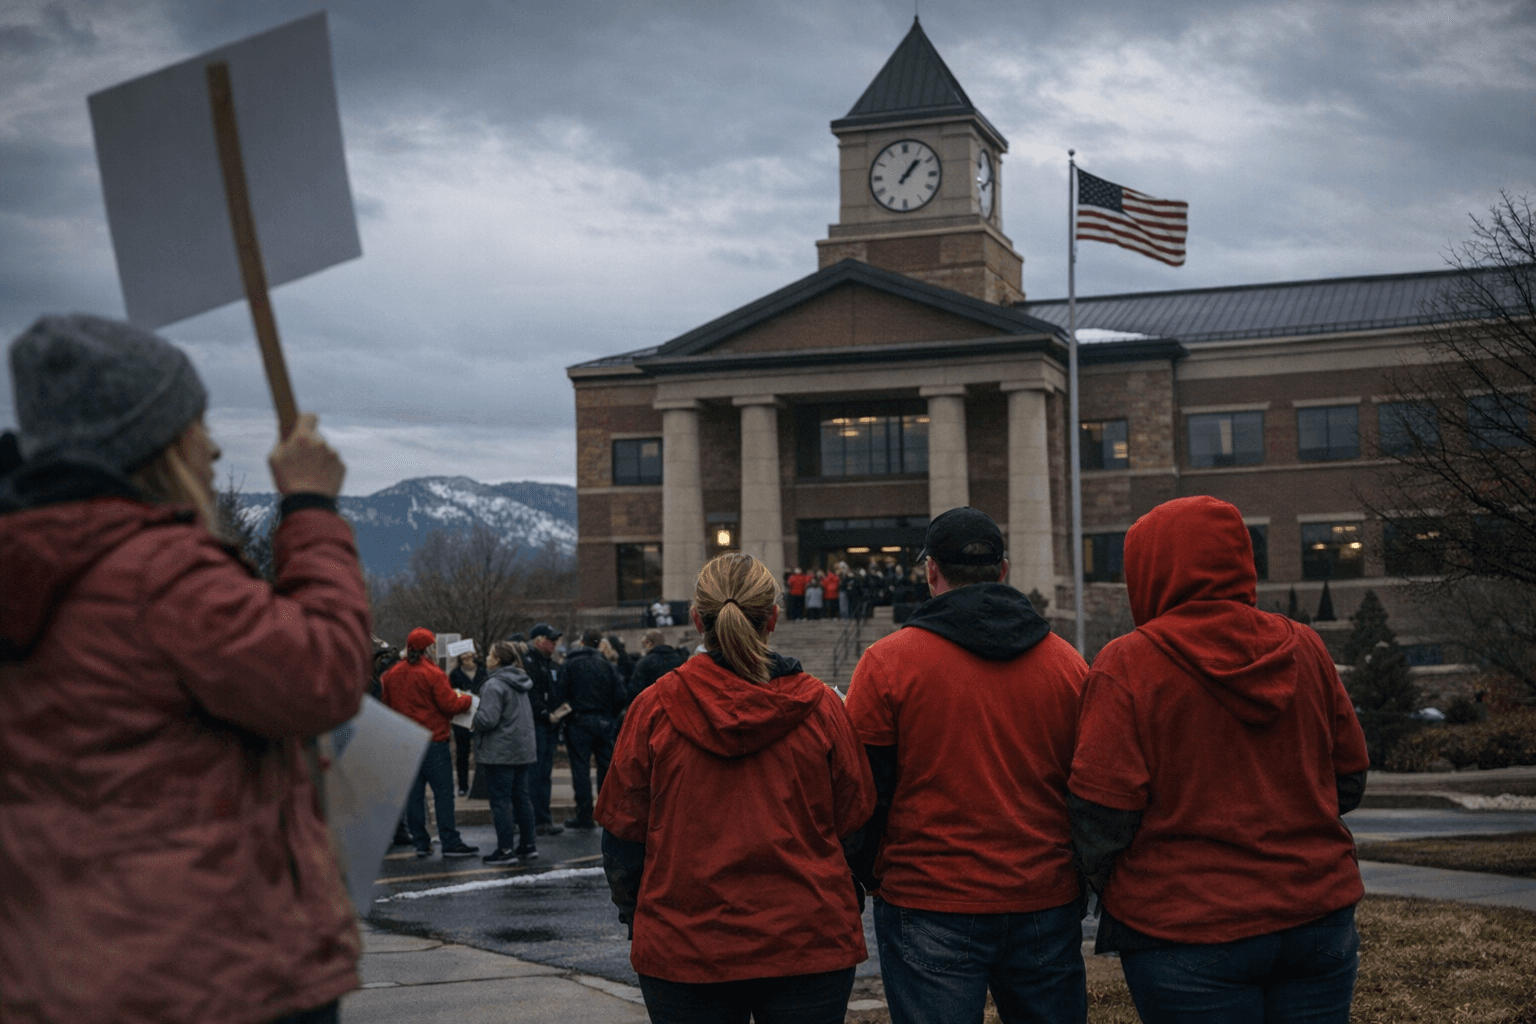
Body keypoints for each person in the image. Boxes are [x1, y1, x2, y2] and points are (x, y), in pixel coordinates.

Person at [0, 314, 370, 1024]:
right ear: (154, 444)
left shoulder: (38, 566)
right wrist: (311, 508)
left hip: (71, 965)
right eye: (195, 423)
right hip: (210, 970)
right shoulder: (155, 571)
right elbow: (322, 673)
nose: (213, 445)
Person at [1069, 496, 1370, 1023]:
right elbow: (1349, 779)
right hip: (1316, 915)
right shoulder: (1306, 647)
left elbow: (1102, 815)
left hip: (1184, 929)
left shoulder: (1128, 664)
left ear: (1150, 570)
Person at [596, 553, 876, 1024]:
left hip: (685, 944)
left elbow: (623, 836)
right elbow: (856, 824)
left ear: (694, 619)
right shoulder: (823, 708)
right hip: (808, 940)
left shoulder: (653, 709)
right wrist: (845, 894)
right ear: (774, 618)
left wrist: (637, 916)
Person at [843, 507, 1091, 1024]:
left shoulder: (887, 664)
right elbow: (1087, 787)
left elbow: (866, 792)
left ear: (931, 570)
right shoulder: (1069, 665)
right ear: (1003, 569)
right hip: (1043, 893)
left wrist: (866, 874)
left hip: (929, 894)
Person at [382, 628, 479, 859]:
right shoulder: (433, 673)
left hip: (405, 743)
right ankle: (450, 841)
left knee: (414, 796)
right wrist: (466, 699)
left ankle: (421, 843)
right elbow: (449, 706)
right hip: (433, 742)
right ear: (427, 648)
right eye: (433, 646)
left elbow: (387, 706)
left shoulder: (391, 674)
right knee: (443, 794)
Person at [473, 641, 539, 864]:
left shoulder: (494, 685)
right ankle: (528, 845)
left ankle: (505, 850)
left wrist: (470, 716)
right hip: (522, 748)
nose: (487, 658)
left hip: (500, 750)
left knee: (500, 801)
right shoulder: (522, 681)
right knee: (522, 797)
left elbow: (488, 719)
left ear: (498, 660)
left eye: (491, 655)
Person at [557, 628, 627, 830]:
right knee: (605, 768)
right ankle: (606, 812)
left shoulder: (570, 663)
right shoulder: (606, 665)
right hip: (603, 721)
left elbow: (560, 692)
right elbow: (620, 695)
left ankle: (584, 814)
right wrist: (609, 715)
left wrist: (569, 714)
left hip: (578, 721)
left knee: (580, 769)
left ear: (582, 642)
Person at [523, 623, 565, 835]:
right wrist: (544, 712)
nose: (554, 643)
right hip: (536, 724)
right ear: (538, 640)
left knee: (544, 774)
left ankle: (543, 819)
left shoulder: (552, 665)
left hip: (549, 725)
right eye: (551, 639)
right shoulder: (528, 663)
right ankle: (534, 818)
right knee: (535, 774)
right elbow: (531, 694)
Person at [448, 649, 486, 796]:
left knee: (481, 751)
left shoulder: (482, 672)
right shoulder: (455, 674)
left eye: (469, 656)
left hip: (479, 716)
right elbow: (452, 692)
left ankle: (481, 784)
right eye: (464, 656)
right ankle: (463, 785)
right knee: (462, 753)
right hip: (462, 717)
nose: (467, 659)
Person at [626, 628, 689, 706]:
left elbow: (635, 692)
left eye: (643, 644)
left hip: (653, 709)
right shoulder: (680, 659)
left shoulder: (644, 663)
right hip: (679, 706)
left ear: (648, 643)